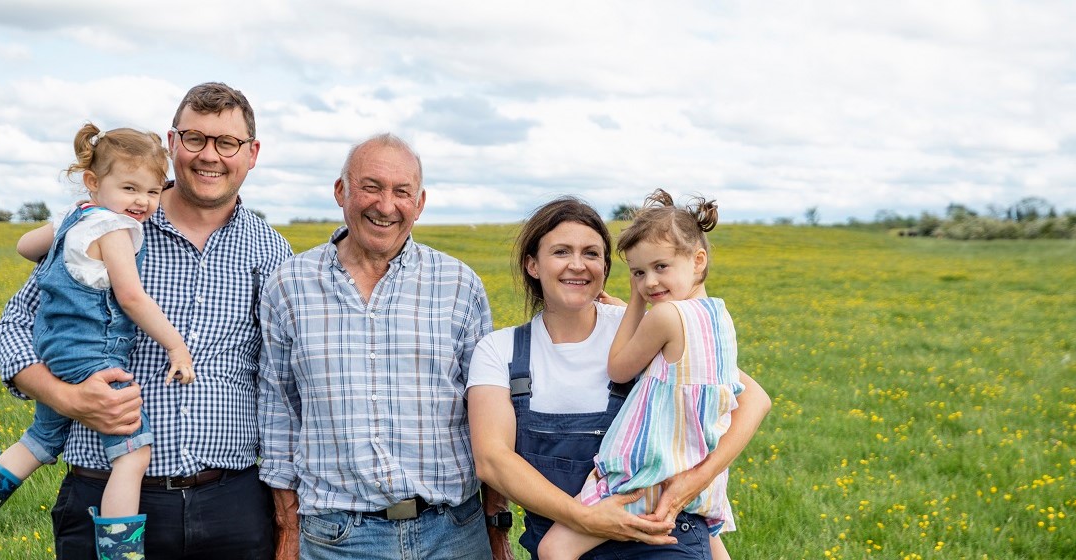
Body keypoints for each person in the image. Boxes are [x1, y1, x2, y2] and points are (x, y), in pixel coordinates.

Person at [0, 82, 292, 559]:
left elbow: (282, 379)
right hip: (102, 492)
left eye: (226, 143)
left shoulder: (270, 249)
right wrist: (66, 397)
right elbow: (11, 329)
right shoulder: (110, 222)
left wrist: (286, 517)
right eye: (195, 138)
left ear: (251, 153)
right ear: (172, 145)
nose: (210, 155)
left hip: (231, 507)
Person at [0, 123, 196, 560]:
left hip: (53, 353)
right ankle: (119, 554)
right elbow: (131, 296)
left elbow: (24, 245)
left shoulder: (75, 216)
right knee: (133, 455)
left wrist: (69, 223)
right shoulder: (114, 229)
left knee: (40, 440)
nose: (142, 202)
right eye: (130, 187)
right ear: (95, 183)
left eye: (152, 192)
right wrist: (175, 345)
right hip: (94, 356)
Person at [468, 196, 771, 559]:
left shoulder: (641, 326)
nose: (577, 265)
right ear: (533, 264)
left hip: (657, 538)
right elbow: (492, 460)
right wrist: (587, 519)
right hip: (565, 539)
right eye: (561, 252)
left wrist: (697, 479)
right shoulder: (499, 350)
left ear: (608, 268)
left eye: (592, 254)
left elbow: (753, 398)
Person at [258, 133, 498, 560]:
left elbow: (490, 416)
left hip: (454, 532)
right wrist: (287, 525)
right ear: (340, 191)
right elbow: (279, 407)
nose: (386, 206)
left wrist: (497, 528)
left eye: (401, 192)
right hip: (338, 538)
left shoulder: (459, 285)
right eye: (371, 187)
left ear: (419, 203)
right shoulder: (289, 285)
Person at [536, 189, 745, 559]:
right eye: (638, 273)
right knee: (709, 545)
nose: (649, 282)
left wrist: (634, 301)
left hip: (647, 470)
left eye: (660, 267)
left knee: (553, 549)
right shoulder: (719, 318)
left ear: (698, 261)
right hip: (695, 469)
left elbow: (618, 368)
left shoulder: (665, 317)